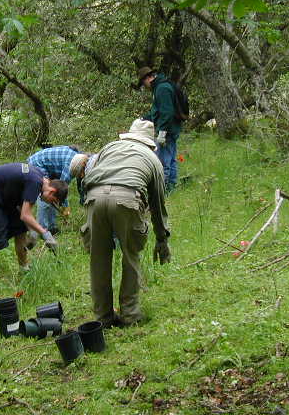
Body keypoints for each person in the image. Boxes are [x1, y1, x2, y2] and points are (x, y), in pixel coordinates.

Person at [80, 119, 171, 328]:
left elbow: (88, 175)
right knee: (131, 256)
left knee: (98, 259)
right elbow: (157, 203)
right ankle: (129, 315)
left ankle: (102, 318)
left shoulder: (109, 147)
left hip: (94, 198)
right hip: (128, 199)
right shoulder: (153, 159)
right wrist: (162, 238)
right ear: (150, 143)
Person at [0, 163, 69, 296]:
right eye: (53, 200)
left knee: (20, 229)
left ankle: (23, 268)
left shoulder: (39, 178)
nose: (49, 203)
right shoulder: (35, 183)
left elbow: (22, 209)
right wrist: (45, 233)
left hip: (5, 199)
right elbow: (25, 214)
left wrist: (32, 230)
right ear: (52, 191)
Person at [27, 146, 90, 235]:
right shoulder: (71, 167)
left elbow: (81, 186)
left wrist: (83, 201)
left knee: (53, 196)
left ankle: (52, 227)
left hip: (50, 168)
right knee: (46, 196)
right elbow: (61, 190)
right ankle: (42, 230)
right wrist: (65, 207)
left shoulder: (79, 161)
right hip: (37, 164)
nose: (82, 175)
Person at [138, 66, 182, 193]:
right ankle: (171, 188)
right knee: (171, 159)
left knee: (162, 162)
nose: (144, 86)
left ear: (147, 78)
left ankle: (163, 191)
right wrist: (144, 118)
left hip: (167, 131)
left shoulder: (162, 89)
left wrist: (162, 132)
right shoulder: (161, 86)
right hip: (171, 129)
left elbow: (167, 112)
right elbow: (157, 112)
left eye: (143, 83)